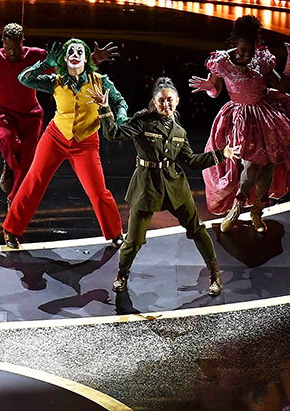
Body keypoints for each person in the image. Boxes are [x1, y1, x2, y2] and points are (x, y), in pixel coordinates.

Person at [89, 77, 239, 295]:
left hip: (175, 188)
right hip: (146, 188)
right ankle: (122, 274)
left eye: (170, 100)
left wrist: (220, 155)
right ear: (154, 101)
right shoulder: (143, 121)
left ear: (177, 101)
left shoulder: (179, 132)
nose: (166, 105)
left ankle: (214, 274)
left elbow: (192, 161)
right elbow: (113, 134)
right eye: (161, 101)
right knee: (133, 240)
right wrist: (105, 109)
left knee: (197, 229)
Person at [0, 23, 118, 203]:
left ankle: (14, 200)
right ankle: (9, 164)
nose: (12, 52)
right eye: (8, 48)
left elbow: (67, 68)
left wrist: (94, 58)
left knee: (26, 162)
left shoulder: (36, 56)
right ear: (3, 42)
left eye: (16, 48)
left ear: (22, 42)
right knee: (7, 142)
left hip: (31, 116)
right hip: (5, 114)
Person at [2, 38, 128, 249]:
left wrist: (121, 117)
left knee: (98, 191)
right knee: (34, 181)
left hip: (86, 141)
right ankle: (11, 229)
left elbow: (120, 102)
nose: (75, 54)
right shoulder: (56, 80)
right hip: (56, 137)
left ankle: (115, 233)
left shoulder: (100, 80)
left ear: (87, 58)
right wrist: (44, 63)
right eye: (71, 51)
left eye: (80, 51)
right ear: (65, 58)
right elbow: (23, 78)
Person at [190, 15, 290, 232]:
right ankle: (236, 209)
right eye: (242, 50)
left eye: (249, 50)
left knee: (268, 166)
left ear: (256, 43)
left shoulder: (262, 60)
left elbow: (281, 86)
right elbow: (216, 91)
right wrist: (209, 86)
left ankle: (256, 213)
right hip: (241, 120)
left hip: (266, 118)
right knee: (251, 167)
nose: (245, 55)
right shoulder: (222, 62)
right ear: (235, 44)